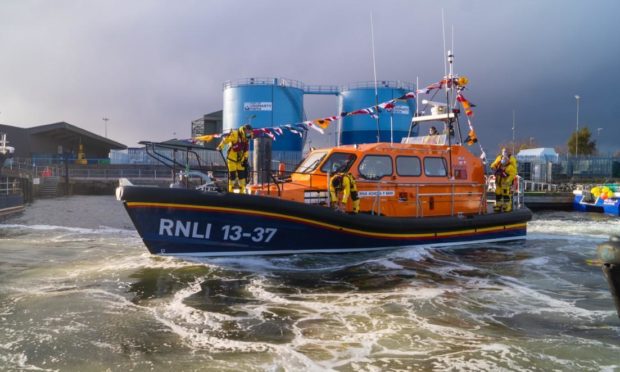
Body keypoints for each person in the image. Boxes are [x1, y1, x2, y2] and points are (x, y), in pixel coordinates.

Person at [216, 124, 253, 193]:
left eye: (250, 132)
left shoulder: (246, 139)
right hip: (232, 159)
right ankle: (231, 192)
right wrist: (220, 147)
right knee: (232, 176)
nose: (249, 133)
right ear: (244, 130)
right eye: (248, 132)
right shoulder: (235, 134)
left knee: (242, 176)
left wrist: (245, 159)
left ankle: (242, 192)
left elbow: (246, 150)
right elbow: (225, 140)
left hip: (240, 160)